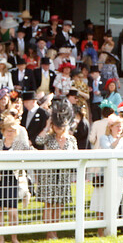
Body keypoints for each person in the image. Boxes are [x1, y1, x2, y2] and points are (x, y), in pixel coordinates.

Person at [35, 98, 78, 240]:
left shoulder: (71, 139)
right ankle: (49, 232)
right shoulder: (49, 137)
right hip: (49, 175)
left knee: (59, 204)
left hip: (63, 176)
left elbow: (76, 155)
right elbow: (38, 141)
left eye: (59, 126)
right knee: (49, 204)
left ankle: (55, 230)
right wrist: (47, 126)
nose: (57, 128)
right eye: (55, 126)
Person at [90, 113, 123, 237]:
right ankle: (100, 231)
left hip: (120, 174)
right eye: (117, 126)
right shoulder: (104, 137)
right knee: (102, 202)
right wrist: (119, 139)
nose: (120, 128)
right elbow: (108, 150)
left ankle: (110, 230)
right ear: (111, 127)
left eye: (121, 126)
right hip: (106, 175)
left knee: (115, 202)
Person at [1, 113, 31, 243]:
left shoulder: (19, 144)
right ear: (3, 131)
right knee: (0, 212)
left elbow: (31, 151)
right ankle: (1, 238)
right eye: (8, 130)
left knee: (13, 211)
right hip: (0, 179)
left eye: (13, 131)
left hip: (13, 180)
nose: (10, 133)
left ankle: (14, 238)